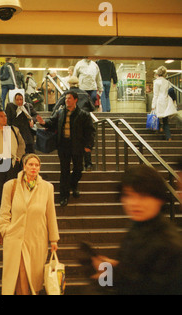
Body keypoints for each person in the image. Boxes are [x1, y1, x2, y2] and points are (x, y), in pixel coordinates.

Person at [89, 164, 182, 295]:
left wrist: (107, 276)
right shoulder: (138, 227)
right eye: (128, 195)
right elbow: (134, 274)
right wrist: (109, 269)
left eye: (143, 196)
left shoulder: (168, 244)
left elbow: (140, 286)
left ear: (159, 198)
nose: (134, 203)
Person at [0, 154, 60, 295]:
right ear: (24, 166)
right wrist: (5, 230)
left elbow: (51, 213)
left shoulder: (47, 188)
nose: (34, 168)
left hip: (37, 238)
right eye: (30, 164)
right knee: (21, 274)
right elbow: (4, 212)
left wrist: (54, 239)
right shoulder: (11, 186)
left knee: (34, 277)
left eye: (36, 165)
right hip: (15, 237)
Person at [37, 91, 95, 207]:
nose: (66, 100)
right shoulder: (60, 112)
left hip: (77, 146)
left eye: (69, 99)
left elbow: (90, 131)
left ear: (75, 100)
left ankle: (73, 185)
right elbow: (52, 122)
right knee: (64, 171)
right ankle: (64, 196)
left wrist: (89, 145)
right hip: (63, 146)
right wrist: (44, 123)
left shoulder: (83, 114)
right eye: (66, 99)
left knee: (78, 169)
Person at [152, 66, 177, 141]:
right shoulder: (167, 82)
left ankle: (160, 127)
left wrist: (153, 105)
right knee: (165, 120)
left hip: (159, 101)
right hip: (166, 100)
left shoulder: (156, 82)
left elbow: (155, 94)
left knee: (157, 116)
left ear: (157, 73)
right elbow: (170, 91)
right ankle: (168, 137)